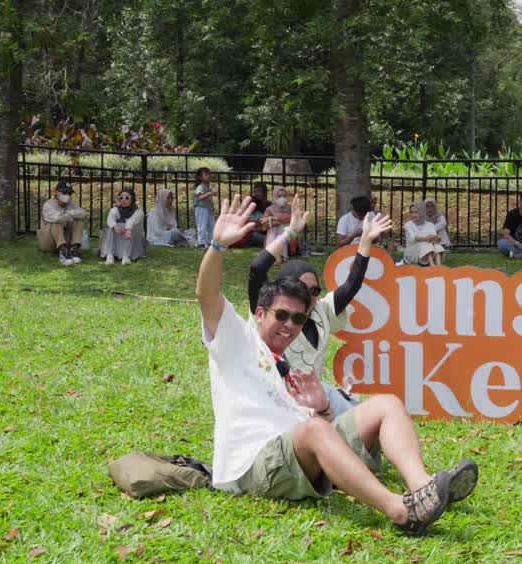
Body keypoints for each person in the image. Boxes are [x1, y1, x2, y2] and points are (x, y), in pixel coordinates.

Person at [196, 194, 479, 535]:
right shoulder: (237, 340)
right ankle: (402, 511)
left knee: (386, 404)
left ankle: (423, 487)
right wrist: (217, 246)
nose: (289, 326)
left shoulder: (289, 367)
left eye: (298, 319)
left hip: (298, 453)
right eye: (281, 315)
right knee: (316, 430)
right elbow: (206, 295)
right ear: (259, 313)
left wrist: (323, 408)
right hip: (251, 466)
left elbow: (316, 431)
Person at [248, 193, 377, 419]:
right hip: (278, 400)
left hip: (314, 397)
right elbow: (257, 270)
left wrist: (365, 241)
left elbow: (352, 285)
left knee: (372, 415)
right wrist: (290, 232)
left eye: (314, 290)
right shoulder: (270, 310)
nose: (309, 297)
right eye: (301, 290)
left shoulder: (322, 310)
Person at [38, 181, 89, 266]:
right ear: (56, 192)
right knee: (57, 222)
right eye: (64, 193)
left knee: (78, 221)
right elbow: (57, 217)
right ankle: (63, 252)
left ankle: (73, 250)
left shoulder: (71, 204)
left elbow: (83, 214)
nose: (67, 195)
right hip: (48, 242)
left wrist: (68, 214)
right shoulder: (49, 204)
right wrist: (70, 215)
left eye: (69, 193)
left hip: (66, 240)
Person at [101, 187, 146, 265]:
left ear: (132, 199)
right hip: (119, 233)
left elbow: (132, 220)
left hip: (132, 235)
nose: (123, 200)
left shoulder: (138, 211)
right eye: (121, 198)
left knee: (132, 228)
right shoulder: (115, 210)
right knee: (112, 227)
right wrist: (115, 227)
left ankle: (126, 256)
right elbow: (110, 219)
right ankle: (110, 254)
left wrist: (128, 230)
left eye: (127, 198)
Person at [402, 201, 445, 266]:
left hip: (427, 250)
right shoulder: (408, 225)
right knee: (424, 245)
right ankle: (432, 267)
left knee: (437, 246)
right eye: (411, 212)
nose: (413, 215)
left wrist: (437, 238)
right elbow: (413, 238)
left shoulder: (430, 225)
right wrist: (426, 238)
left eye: (416, 212)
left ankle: (439, 266)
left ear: (422, 212)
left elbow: (434, 239)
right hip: (411, 253)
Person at [193, 167, 217, 248]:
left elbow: (209, 199)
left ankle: (211, 241)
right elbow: (200, 197)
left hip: (207, 208)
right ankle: (201, 243)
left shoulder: (207, 187)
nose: (208, 176)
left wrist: (212, 205)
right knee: (202, 225)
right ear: (200, 177)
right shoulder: (200, 187)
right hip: (201, 208)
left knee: (212, 225)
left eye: (209, 174)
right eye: (206, 175)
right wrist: (210, 193)